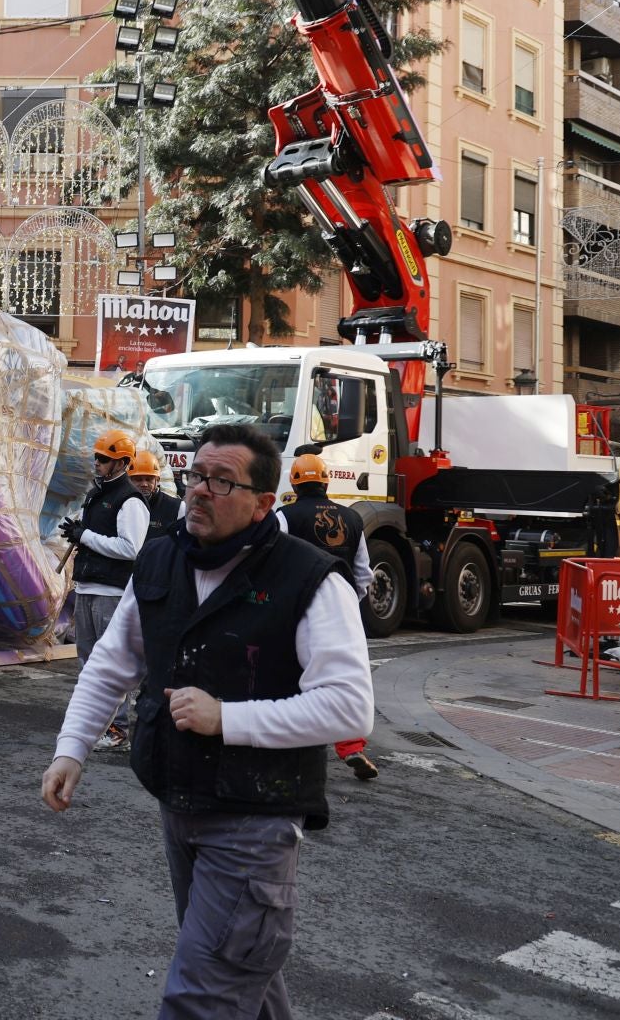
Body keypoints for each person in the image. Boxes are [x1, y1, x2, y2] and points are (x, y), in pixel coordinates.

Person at [41, 423, 373, 1020]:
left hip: (255, 819)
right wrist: (72, 748)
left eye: (222, 482)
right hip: (179, 802)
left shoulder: (312, 580)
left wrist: (228, 718)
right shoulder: (164, 557)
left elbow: (349, 706)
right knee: (238, 972)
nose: (199, 491)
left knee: (204, 996)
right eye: (196, 475)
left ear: (264, 502)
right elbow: (113, 663)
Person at [277, 452, 379, 782]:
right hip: (342, 609)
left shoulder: (284, 516)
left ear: (294, 481)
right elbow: (364, 572)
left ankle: (295, 744)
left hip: (300, 607)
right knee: (342, 677)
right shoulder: (352, 518)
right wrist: (350, 600)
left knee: (294, 674)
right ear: (326, 481)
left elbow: (272, 562)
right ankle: (352, 747)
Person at [58, 429, 149, 749]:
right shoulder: (97, 494)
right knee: (87, 662)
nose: (97, 463)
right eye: (97, 457)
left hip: (111, 592)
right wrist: (77, 532)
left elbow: (131, 548)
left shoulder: (130, 500)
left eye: (104, 459)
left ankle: (118, 729)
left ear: (123, 463)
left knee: (111, 662)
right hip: (87, 587)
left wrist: (85, 537)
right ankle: (93, 725)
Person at [130, 449, 182, 537]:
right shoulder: (121, 505)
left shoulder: (176, 508)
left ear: (157, 480)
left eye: (149, 479)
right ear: (129, 481)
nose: (144, 484)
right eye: (138, 479)